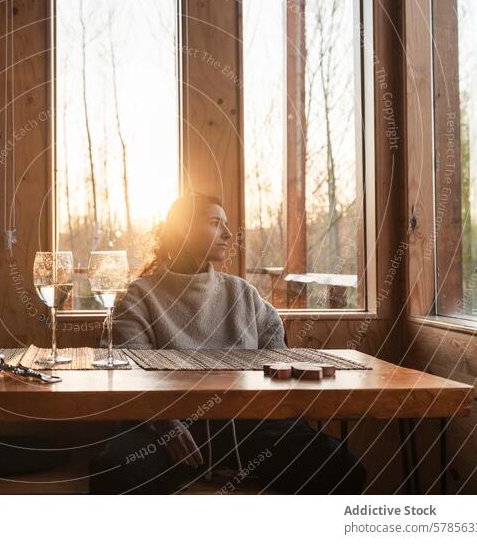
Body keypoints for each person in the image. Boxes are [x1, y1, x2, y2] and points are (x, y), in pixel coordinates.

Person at [88, 192, 366, 494]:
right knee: (114, 472)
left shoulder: (242, 293)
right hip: (169, 428)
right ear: (183, 229)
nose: (228, 234)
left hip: (248, 426)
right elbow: (127, 373)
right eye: (215, 223)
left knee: (342, 468)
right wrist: (165, 422)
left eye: (227, 224)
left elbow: (278, 356)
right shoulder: (140, 295)